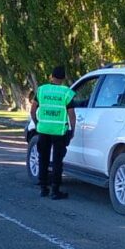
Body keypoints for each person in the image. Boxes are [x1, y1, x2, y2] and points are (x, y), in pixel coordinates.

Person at [30, 66, 76, 200]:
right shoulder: (66, 92)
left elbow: (33, 110)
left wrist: (37, 123)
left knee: (43, 158)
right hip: (59, 131)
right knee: (57, 161)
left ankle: (43, 188)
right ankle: (55, 191)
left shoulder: (41, 90)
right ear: (63, 78)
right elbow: (72, 114)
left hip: (43, 130)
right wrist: (72, 130)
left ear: (51, 76)